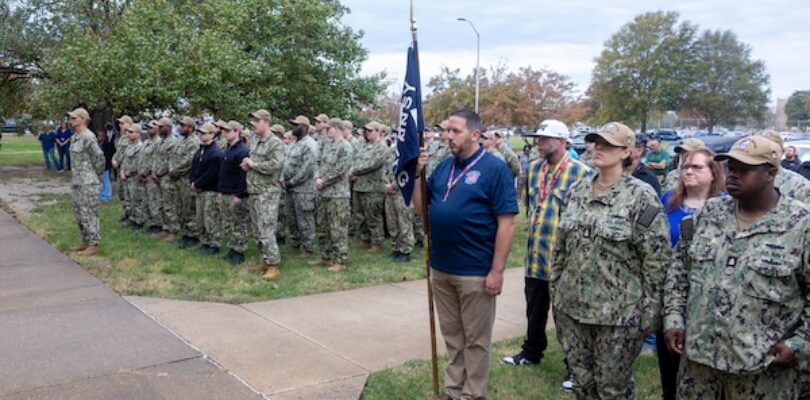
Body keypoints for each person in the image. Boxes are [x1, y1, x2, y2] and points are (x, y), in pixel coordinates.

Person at [663, 135, 809, 399]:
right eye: (730, 166)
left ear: (770, 173)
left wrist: (798, 343)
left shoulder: (800, 225)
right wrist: (674, 316)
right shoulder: (709, 213)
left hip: (761, 371)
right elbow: (679, 268)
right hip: (699, 366)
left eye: (745, 169)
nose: (733, 174)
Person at [552, 122, 671, 400]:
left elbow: (656, 259)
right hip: (572, 310)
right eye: (596, 142)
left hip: (618, 315)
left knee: (612, 389)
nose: (598, 148)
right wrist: (556, 293)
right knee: (582, 384)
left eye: (608, 144)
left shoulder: (640, 196)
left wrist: (649, 314)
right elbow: (560, 250)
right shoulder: (576, 192)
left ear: (626, 152)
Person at [413, 109, 518, 400]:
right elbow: (422, 208)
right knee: (453, 336)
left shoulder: (494, 169)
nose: (448, 136)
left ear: (475, 134)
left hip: (475, 269)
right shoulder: (445, 166)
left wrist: (496, 271)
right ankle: (453, 389)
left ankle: (472, 394)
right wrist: (418, 176)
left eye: (455, 131)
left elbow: (507, 222)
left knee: (476, 339)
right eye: (447, 131)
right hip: (442, 267)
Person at [501, 119, 591, 393]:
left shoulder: (582, 173)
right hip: (536, 255)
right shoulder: (534, 169)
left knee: (567, 317)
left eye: (544, 138)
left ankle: (576, 368)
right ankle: (531, 351)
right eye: (537, 138)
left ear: (562, 141)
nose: (539, 142)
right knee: (534, 310)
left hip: (565, 260)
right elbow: (530, 204)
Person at [656, 147, 725, 400]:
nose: (688, 171)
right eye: (685, 166)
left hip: (707, 298)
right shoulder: (668, 200)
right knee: (670, 365)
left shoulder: (726, 205)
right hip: (671, 293)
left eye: (697, 167)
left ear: (713, 172)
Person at [242, 109, 285, 280]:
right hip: (254, 191)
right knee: (257, 230)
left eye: (256, 121)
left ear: (266, 122)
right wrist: (248, 165)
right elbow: (255, 163)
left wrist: (253, 164)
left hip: (267, 193)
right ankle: (265, 260)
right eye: (253, 121)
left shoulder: (275, 143)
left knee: (266, 229)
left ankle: (274, 264)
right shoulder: (255, 140)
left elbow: (275, 165)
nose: (253, 124)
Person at [310, 118, 353, 271]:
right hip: (324, 193)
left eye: (329, 128)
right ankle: (326, 256)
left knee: (337, 228)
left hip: (338, 195)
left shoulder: (345, 147)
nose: (326, 130)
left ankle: (340, 260)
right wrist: (316, 177)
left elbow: (340, 169)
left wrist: (323, 180)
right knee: (323, 227)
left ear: (336, 128)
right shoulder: (327, 145)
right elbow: (317, 162)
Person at [65, 108, 104, 256]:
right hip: (77, 181)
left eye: (74, 118)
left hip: (88, 182)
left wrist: (95, 175)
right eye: (71, 118)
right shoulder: (76, 137)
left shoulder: (88, 137)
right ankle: (85, 240)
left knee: (89, 213)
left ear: (83, 119)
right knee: (79, 213)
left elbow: (99, 158)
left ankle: (93, 243)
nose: (71, 120)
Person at [282, 116, 319, 256]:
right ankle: (296, 242)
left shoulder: (310, 144)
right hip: (290, 188)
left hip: (304, 190)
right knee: (291, 218)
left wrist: (291, 182)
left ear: (304, 127)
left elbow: (306, 169)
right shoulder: (293, 144)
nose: (293, 127)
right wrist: (283, 180)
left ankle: (308, 248)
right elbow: (285, 163)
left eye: (296, 125)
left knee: (304, 219)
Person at [349, 121, 389, 251]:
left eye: (370, 131)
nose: (367, 133)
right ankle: (366, 238)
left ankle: (376, 241)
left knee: (373, 215)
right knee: (361, 215)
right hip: (359, 185)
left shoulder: (382, 148)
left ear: (378, 132)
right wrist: (353, 170)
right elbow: (355, 159)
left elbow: (373, 163)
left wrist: (354, 171)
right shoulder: (363, 146)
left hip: (373, 187)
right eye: (366, 130)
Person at [217, 121, 250, 265]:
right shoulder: (228, 149)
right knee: (228, 223)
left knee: (238, 223)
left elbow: (243, 176)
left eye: (228, 130)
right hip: (225, 191)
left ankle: (239, 251)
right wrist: (220, 191)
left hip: (235, 193)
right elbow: (223, 173)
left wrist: (239, 194)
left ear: (237, 132)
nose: (225, 133)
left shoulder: (243, 150)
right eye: (224, 130)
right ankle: (232, 248)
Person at [189, 123, 224, 254]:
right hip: (199, 189)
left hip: (210, 190)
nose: (200, 135)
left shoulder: (216, 153)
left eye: (203, 133)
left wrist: (198, 184)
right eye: (199, 133)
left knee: (211, 218)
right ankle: (205, 241)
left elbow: (212, 174)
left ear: (212, 135)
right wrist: (192, 181)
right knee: (201, 217)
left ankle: (214, 244)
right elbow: (194, 167)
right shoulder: (200, 150)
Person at [170, 117, 202, 248]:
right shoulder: (181, 141)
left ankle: (193, 235)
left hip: (186, 180)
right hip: (177, 180)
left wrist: (175, 171)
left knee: (190, 208)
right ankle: (185, 233)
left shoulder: (194, 142)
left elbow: (189, 161)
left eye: (183, 126)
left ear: (190, 128)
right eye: (180, 125)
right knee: (180, 207)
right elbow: (173, 157)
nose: (180, 127)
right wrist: (171, 169)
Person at [155, 117, 180, 240]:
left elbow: (170, 161)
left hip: (167, 178)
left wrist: (159, 172)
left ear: (168, 127)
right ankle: (165, 227)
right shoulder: (161, 141)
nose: (158, 129)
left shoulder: (173, 142)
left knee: (170, 205)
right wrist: (154, 172)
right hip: (159, 178)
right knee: (161, 204)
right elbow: (157, 159)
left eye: (161, 127)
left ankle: (173, 230)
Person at [139, 120, 163, 234]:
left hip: (151, 176)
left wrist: (145, 172)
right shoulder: (146, 142)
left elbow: (154, 160)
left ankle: (158, 223)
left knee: (155, 200)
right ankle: (152, 222)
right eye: (148, 127)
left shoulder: (158, 142)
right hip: (144, 176)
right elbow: (142, 159)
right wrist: (141, 173)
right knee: (147, 200)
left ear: (158, 129)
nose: (149, 129)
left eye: (152, 127)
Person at [120, 123, 145, 229]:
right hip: (127, 178)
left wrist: (127, 173)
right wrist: (122, 171)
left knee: (137, 200)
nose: (128, 134)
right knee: (129, 199)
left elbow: (137, 165)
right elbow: (125, 161)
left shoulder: (140, 147)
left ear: (138, 134)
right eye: (127, 132)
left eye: (131, 132)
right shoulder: (129, 146)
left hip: (134, 177)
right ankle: (131, 218)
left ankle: (138, 221)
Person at [112, 116, 133, 219]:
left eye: (122, 123)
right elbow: (118, 152)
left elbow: (129, 153)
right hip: (120, 169)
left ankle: (132, 215)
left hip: (127, 169)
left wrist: (119, 161)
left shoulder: (131, 137)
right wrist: (114, 160)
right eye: (119, 123)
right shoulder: (121, 137)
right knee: (121, 192)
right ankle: (126, 212)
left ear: (129, 124)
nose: (120, 125)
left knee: (129, 193)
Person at [96, 130, 114, 202]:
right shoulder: (98, 144)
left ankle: (107, 195)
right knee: (102, 180)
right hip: (100, 165)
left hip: (105, 165)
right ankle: (103, 193)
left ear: (104, 137)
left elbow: (108, 156)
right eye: (98, 136)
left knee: (106, 180)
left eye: (101, 136)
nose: (99, 137)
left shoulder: (107, 145)